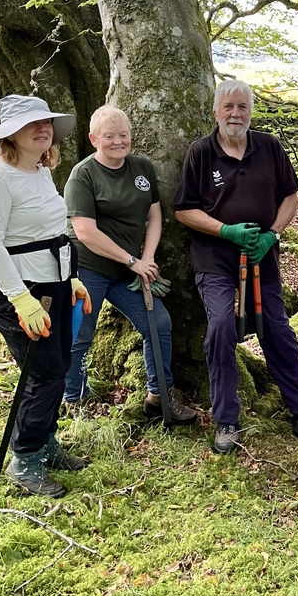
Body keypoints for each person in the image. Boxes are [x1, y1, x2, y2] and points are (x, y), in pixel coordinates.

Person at [173, 78, 298, 453]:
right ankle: (226, 419)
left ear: (251, 112)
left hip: (261, 256)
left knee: (276, 326)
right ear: (216, 112)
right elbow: (184, 210)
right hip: (215, 259)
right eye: (228, 107)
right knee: (221, 326)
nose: (235, 114)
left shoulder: (269, 147)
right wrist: (226, 230)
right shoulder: (200, 153)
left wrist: (272, 234)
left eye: (242, 107)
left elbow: (291, 195)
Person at [0, 95, 92, 497]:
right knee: (44, 374)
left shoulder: (40, 171)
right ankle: (25, 460)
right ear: (10, 134)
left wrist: (70, 279)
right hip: (17, 290)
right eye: (31, 124)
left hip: (53, 284)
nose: (44, 129)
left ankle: (44, 442)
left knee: (59, 366)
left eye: (47, 123)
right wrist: (21, 300)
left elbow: (49, 235)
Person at [62, 106, 196, 423]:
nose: (118, 142)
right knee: (80, 334)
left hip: (129, 271)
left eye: (123, 135)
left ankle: (158, 397)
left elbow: (154, 215)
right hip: (88, 269)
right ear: (94, 139)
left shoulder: (141, 168)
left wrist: (147, 258)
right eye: (109, 136)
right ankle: (75, 402)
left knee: (158, 324)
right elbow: (85, 232)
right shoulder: (82, 175)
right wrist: (132, 260)